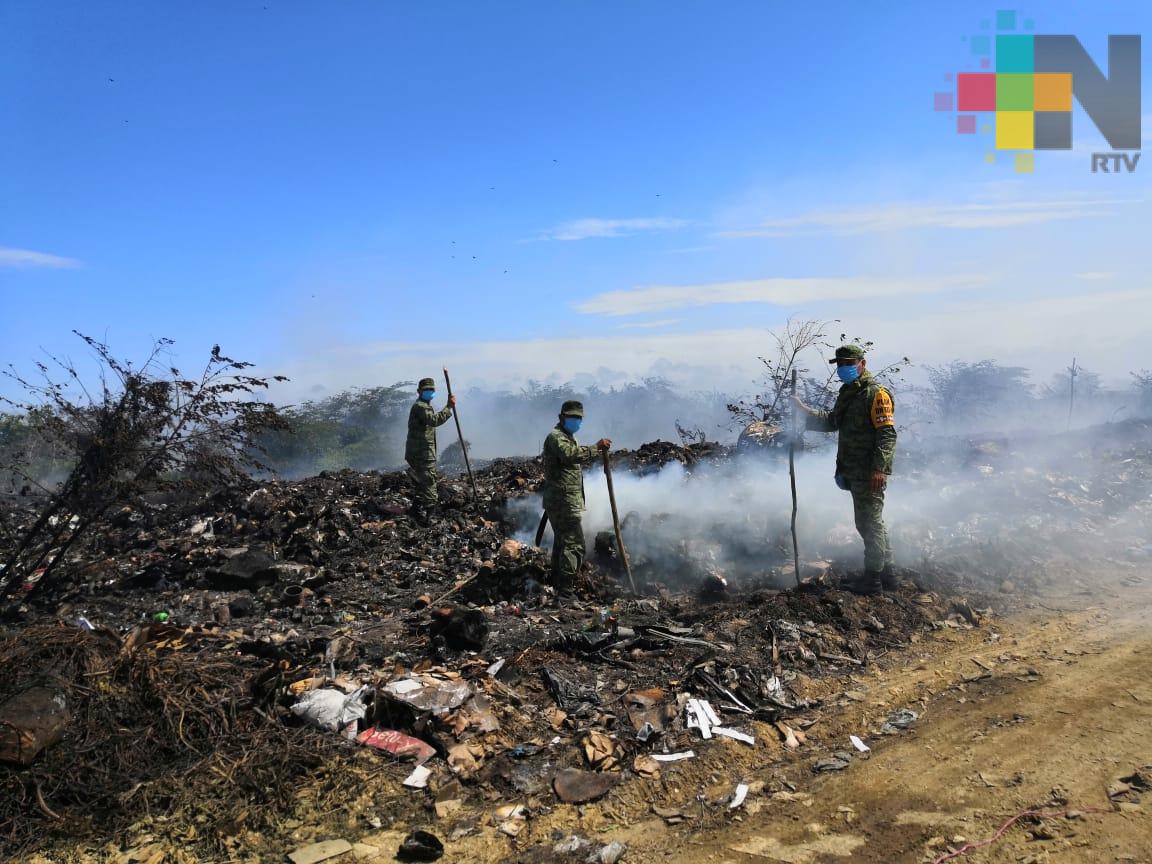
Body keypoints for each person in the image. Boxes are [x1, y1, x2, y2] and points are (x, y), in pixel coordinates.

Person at [792, 345, 897, 594]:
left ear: (862, 363)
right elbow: (832, 422)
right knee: (873, 523)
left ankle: (872, 582)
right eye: (839, 364)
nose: (843, 369)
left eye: (848, 363)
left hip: (869, 472)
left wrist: (880, 469)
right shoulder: (849, 393)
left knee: (868, 524)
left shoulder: (876, 394)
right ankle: (888, 576)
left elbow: (887, 435)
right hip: (853, 470)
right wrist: (803, 411)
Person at [541, 400, 611, 596]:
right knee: (575, 545)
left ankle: (557, 581)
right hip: (563, 501)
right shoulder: (557, 437)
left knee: (563, 542)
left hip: (562, 500)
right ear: (562, 417)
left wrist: (597, 451)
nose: (576, 421)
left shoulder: (568, 436)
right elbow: (570, 455)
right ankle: (565, 590)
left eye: (578, 418)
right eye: (572, 417)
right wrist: (596, 447)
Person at [405, 377, 456, 521]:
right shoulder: (421, 406)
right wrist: (449, 407)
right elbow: (433, 420)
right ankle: (430, 515)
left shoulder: (423, 405)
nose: (429, 392)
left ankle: (415, 510)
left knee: (423, 480)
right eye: (426, 390)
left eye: (431, 390)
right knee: (429, 480)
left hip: (420, 451)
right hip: (422, 453)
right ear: (419, 392)